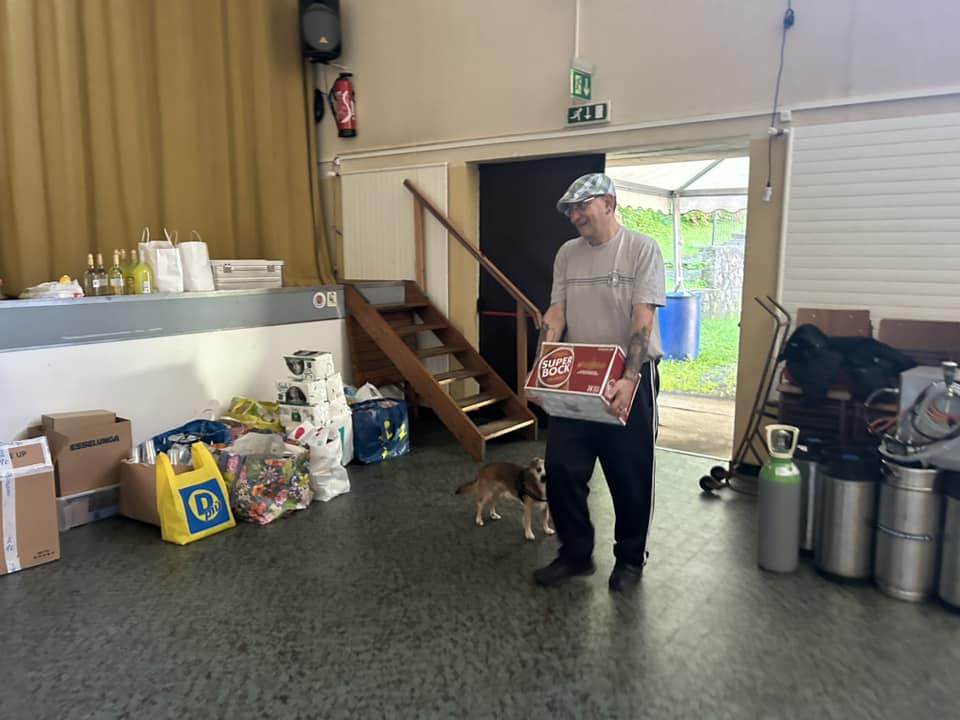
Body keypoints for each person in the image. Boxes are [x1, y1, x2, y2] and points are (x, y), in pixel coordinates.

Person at [531, 173, 665, 592]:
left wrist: (629, 378)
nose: (574, 216)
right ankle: (575, 554)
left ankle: (629, 560)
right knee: (562, 469)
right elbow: (556, 313)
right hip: (578, 375)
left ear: (608, 203)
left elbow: (643, 318)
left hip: (628, 375)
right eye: (570, 210)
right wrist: (542, 369)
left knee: (630, 475)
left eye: (581, 207)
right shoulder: (567, 254)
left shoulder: (641, 249)